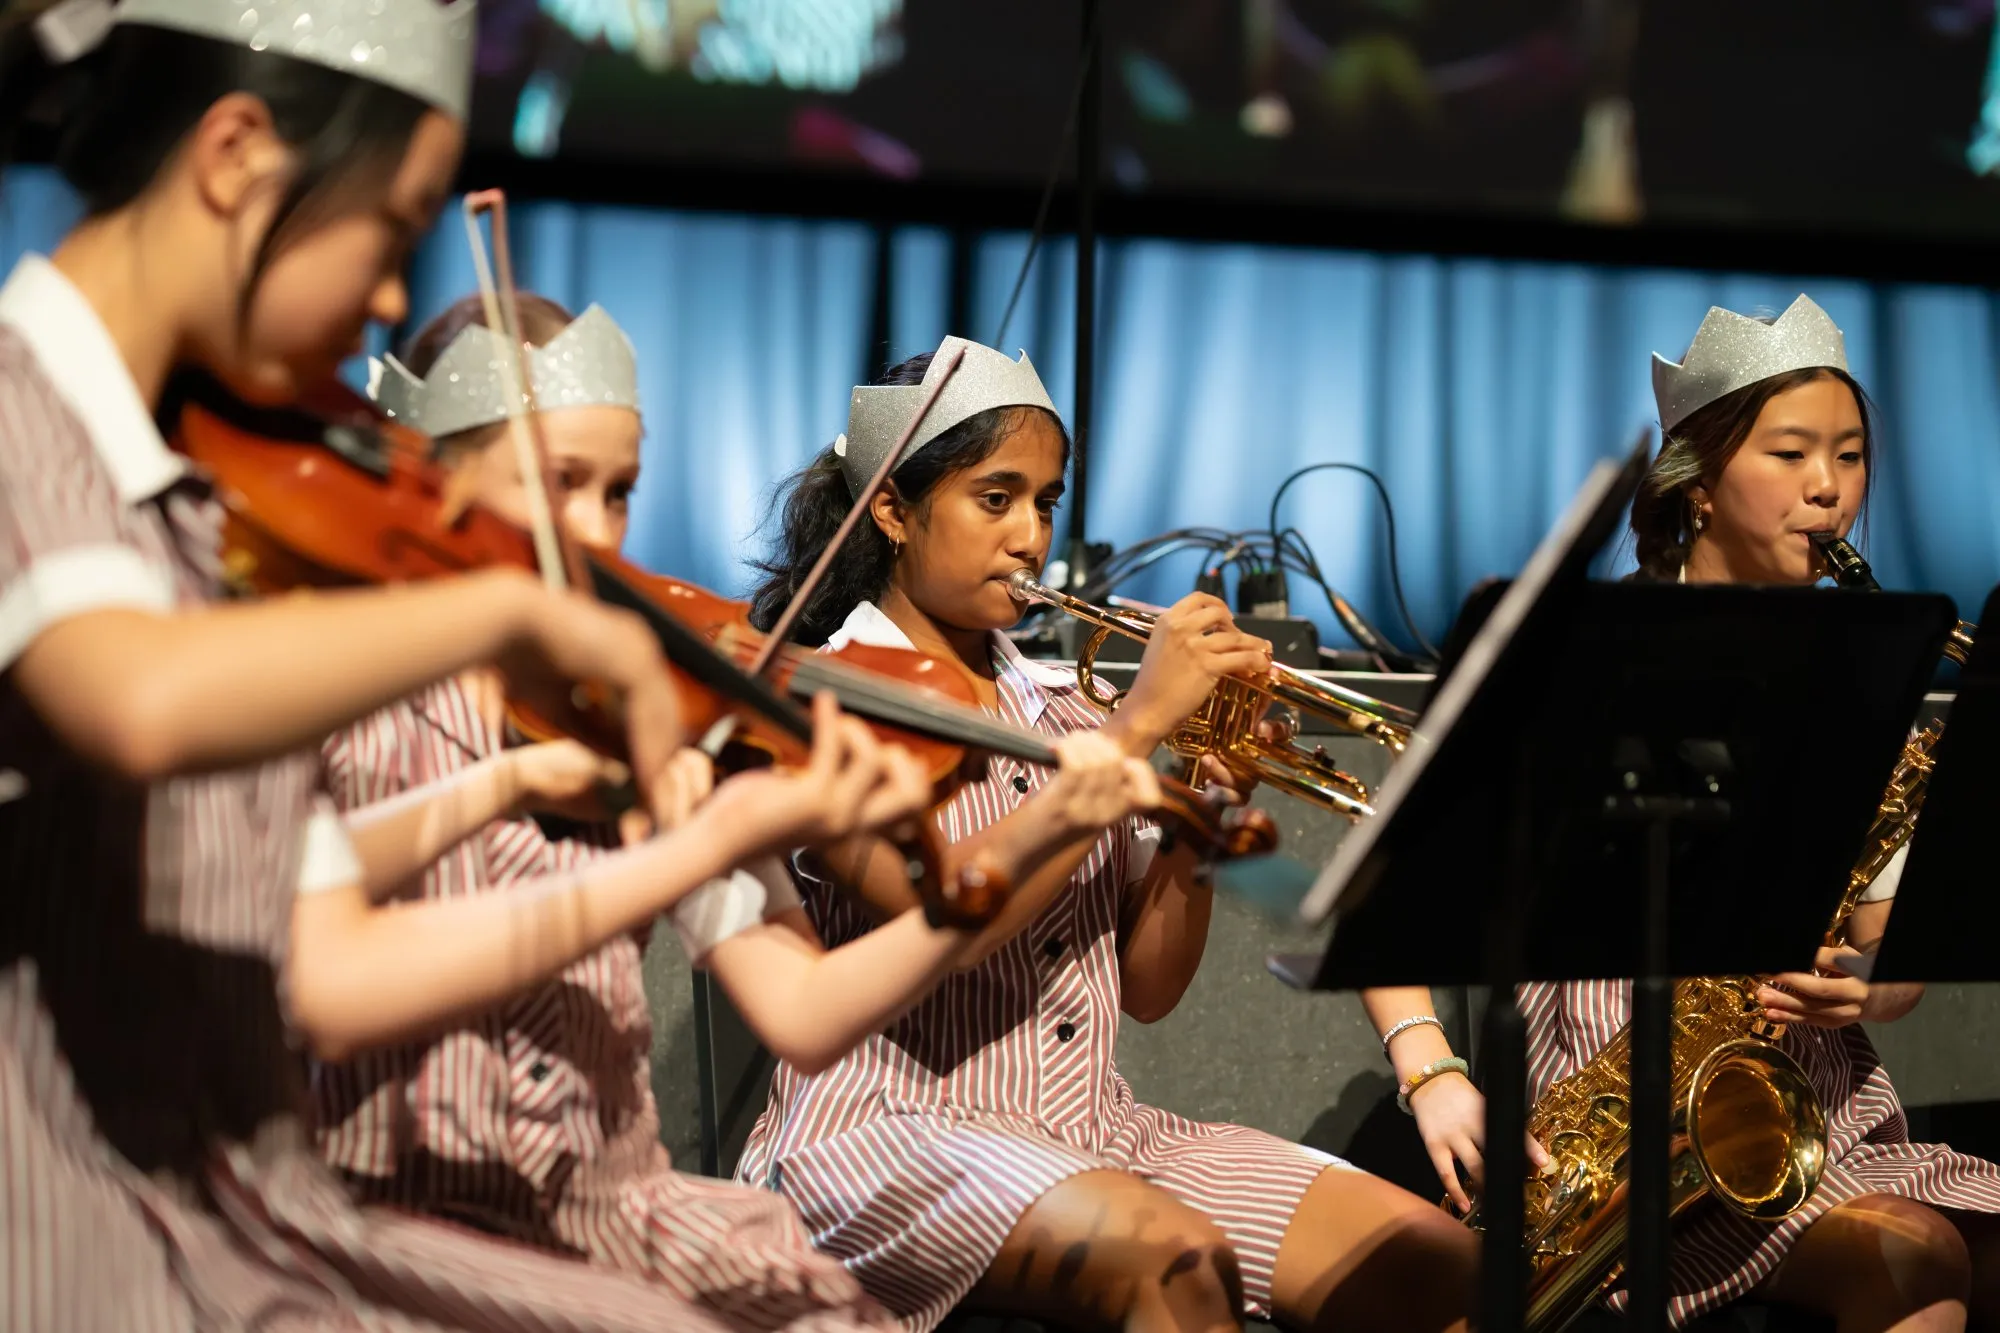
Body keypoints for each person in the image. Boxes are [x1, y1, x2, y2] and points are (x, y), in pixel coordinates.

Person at [0, 0, 926, 1326]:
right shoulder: (22, 410)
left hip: (259, 1230)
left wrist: (738, 826)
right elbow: (137, 701)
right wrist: (504, 609)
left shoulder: (199, 513)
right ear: (236, 158)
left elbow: (326, 965)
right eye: (391, 224)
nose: (389, 295)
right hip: (91, 1243)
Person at [318, 294, 1162, 1331]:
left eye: (618, 492)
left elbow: (806, 1013)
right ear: (431, 488)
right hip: (397, 1213)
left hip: (606, 1210)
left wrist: (1019, 842)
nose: (594, 531)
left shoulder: (655, 721)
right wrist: (541, 796)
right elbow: (318, 966)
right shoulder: (340, 699)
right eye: (555, 486)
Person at [736, 336, 1479, 1333]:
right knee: (1172, 1261)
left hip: (1098, 1131)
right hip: (886, 1137)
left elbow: (1150, 986)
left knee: (1441, 1263)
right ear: (893, 511)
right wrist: (1136, 730)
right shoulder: (822, 697)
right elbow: (948, 910)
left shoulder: (1065, 712)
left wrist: (1202, 800)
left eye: (1043, 503)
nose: (1027, 536)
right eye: (993, 499)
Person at [1363, 295, 2000, 1332]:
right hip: (1618, 1129)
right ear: (1696, 484)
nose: (1827, 488)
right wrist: (1429, 1069)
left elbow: (1890, 945)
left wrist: (1869, 989)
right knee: (1914, 1256)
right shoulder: (1580, 655)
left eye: (1847, 455)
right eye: (1790, 453)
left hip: (1812, 1115)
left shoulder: (1866, 679)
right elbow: (1386, 879)